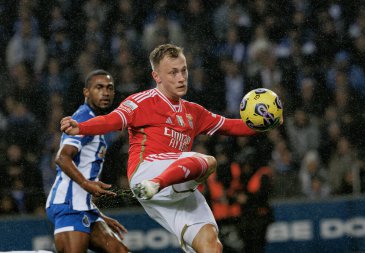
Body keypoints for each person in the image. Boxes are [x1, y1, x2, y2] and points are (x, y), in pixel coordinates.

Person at [60, 44, 279, 253]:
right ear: (157, 77)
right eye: (173, 72)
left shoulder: (194, 112)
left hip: (179, 186)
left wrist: (266, 122)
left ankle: (160, 185)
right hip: (147, 172)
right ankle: (157, 184)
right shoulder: (141, 102)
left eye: (184, 70)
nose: (181, 78)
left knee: (211, 244)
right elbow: (112, 120)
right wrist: (81, 127)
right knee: (208, 161)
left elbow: (232, 126)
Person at [46, 69, 129, 253]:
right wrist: (86, 184)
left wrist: (98, 214)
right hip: (69, 205)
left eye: (109, 88)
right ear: (86, 92)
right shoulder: (83, 118)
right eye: (99, 87)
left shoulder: (97, 121)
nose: (105, 92)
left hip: (84, 206)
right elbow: (61, 157)